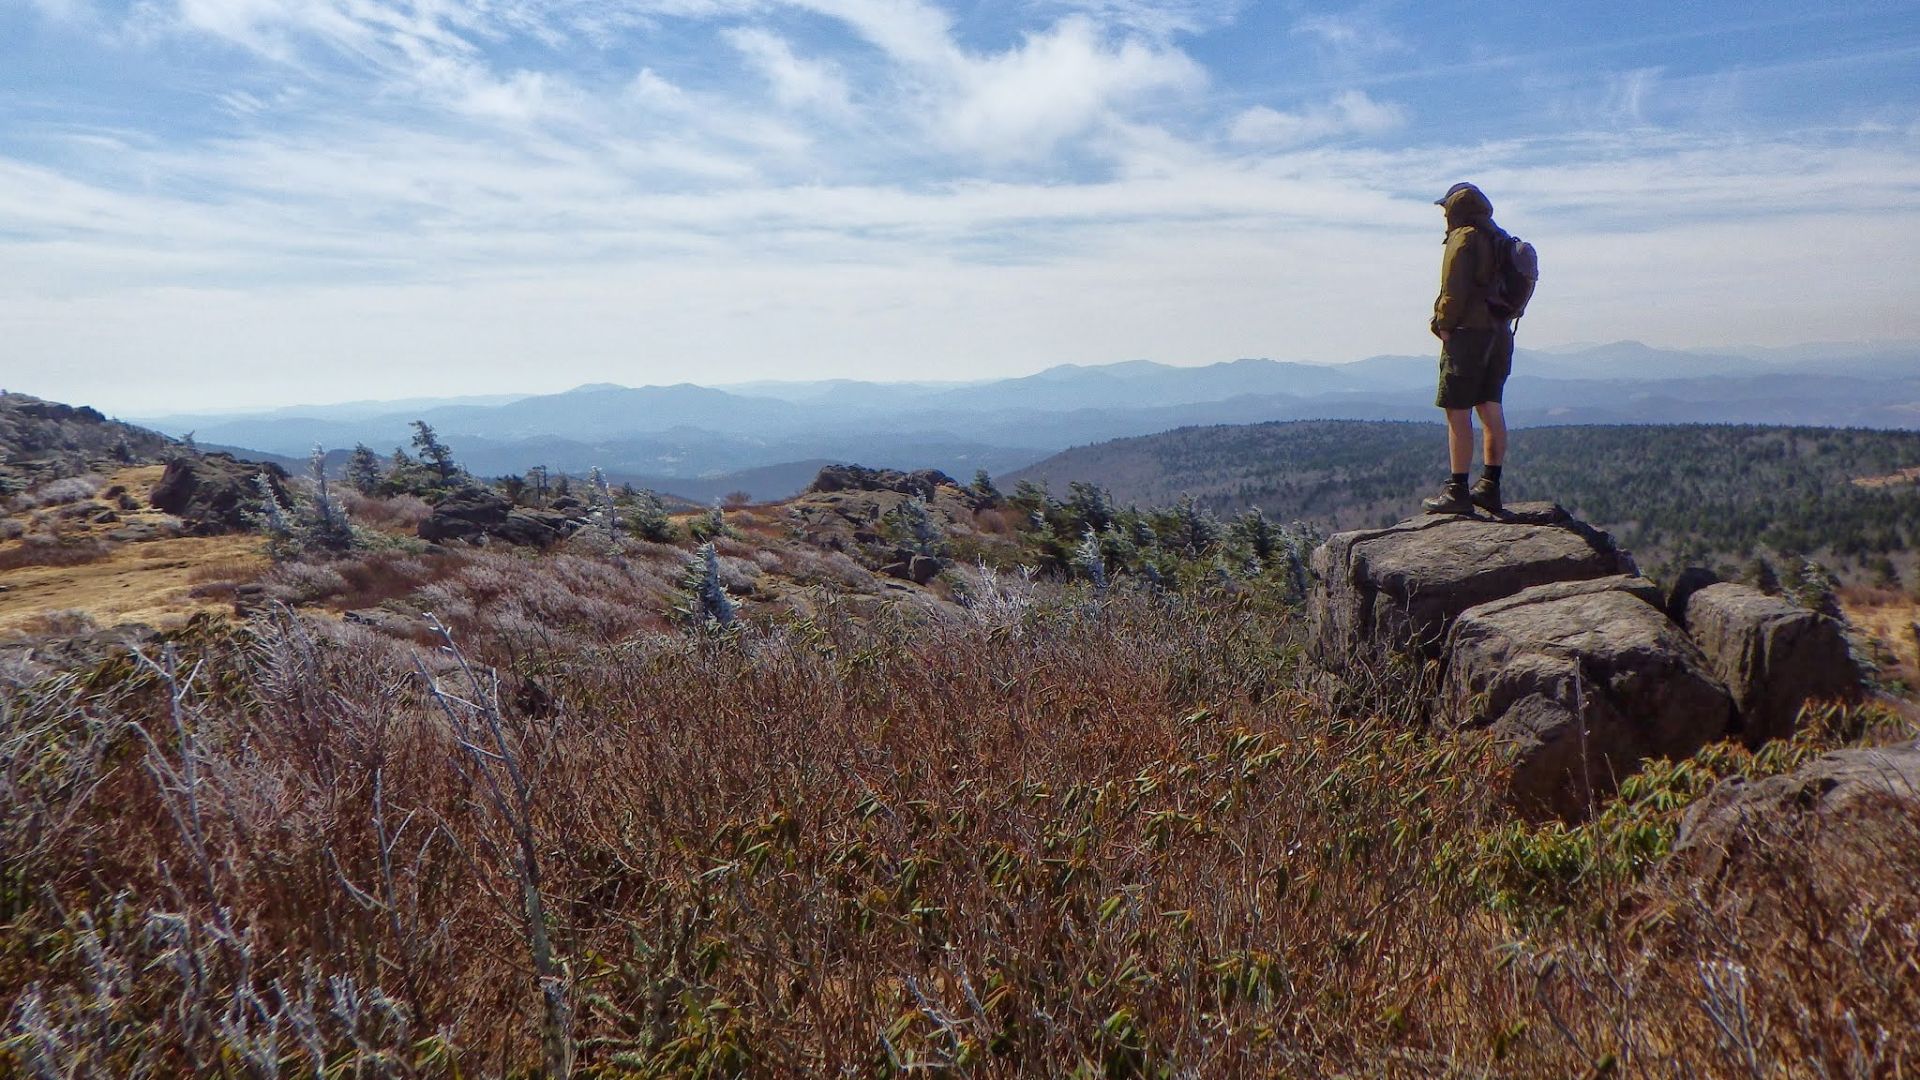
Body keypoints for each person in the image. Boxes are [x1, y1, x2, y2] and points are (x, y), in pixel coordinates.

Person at [1421, 182, 1513, 515]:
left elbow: (1453, 288)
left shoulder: (1463, 237)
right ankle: (1489, 486)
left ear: (1455, 209)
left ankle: (1457, 490)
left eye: (1445, 208)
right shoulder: (1499, 238)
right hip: (1499, 334)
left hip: (1468, 334)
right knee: (1490, 407)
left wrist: (1443, 325)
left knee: (1457, 410)